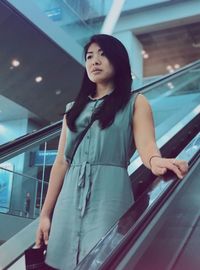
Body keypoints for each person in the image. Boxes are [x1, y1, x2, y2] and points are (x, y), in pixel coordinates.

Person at [35, 34, 188, 269]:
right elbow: (61, 163)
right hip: (68, 203)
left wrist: (157, 162)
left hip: (110, 197)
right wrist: (45, 215)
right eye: (89, 57)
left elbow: (147, 147)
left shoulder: (136, 102)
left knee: (107, 260)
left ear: (118, 61)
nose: (94, 61)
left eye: (102, 54)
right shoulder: (72, 110)